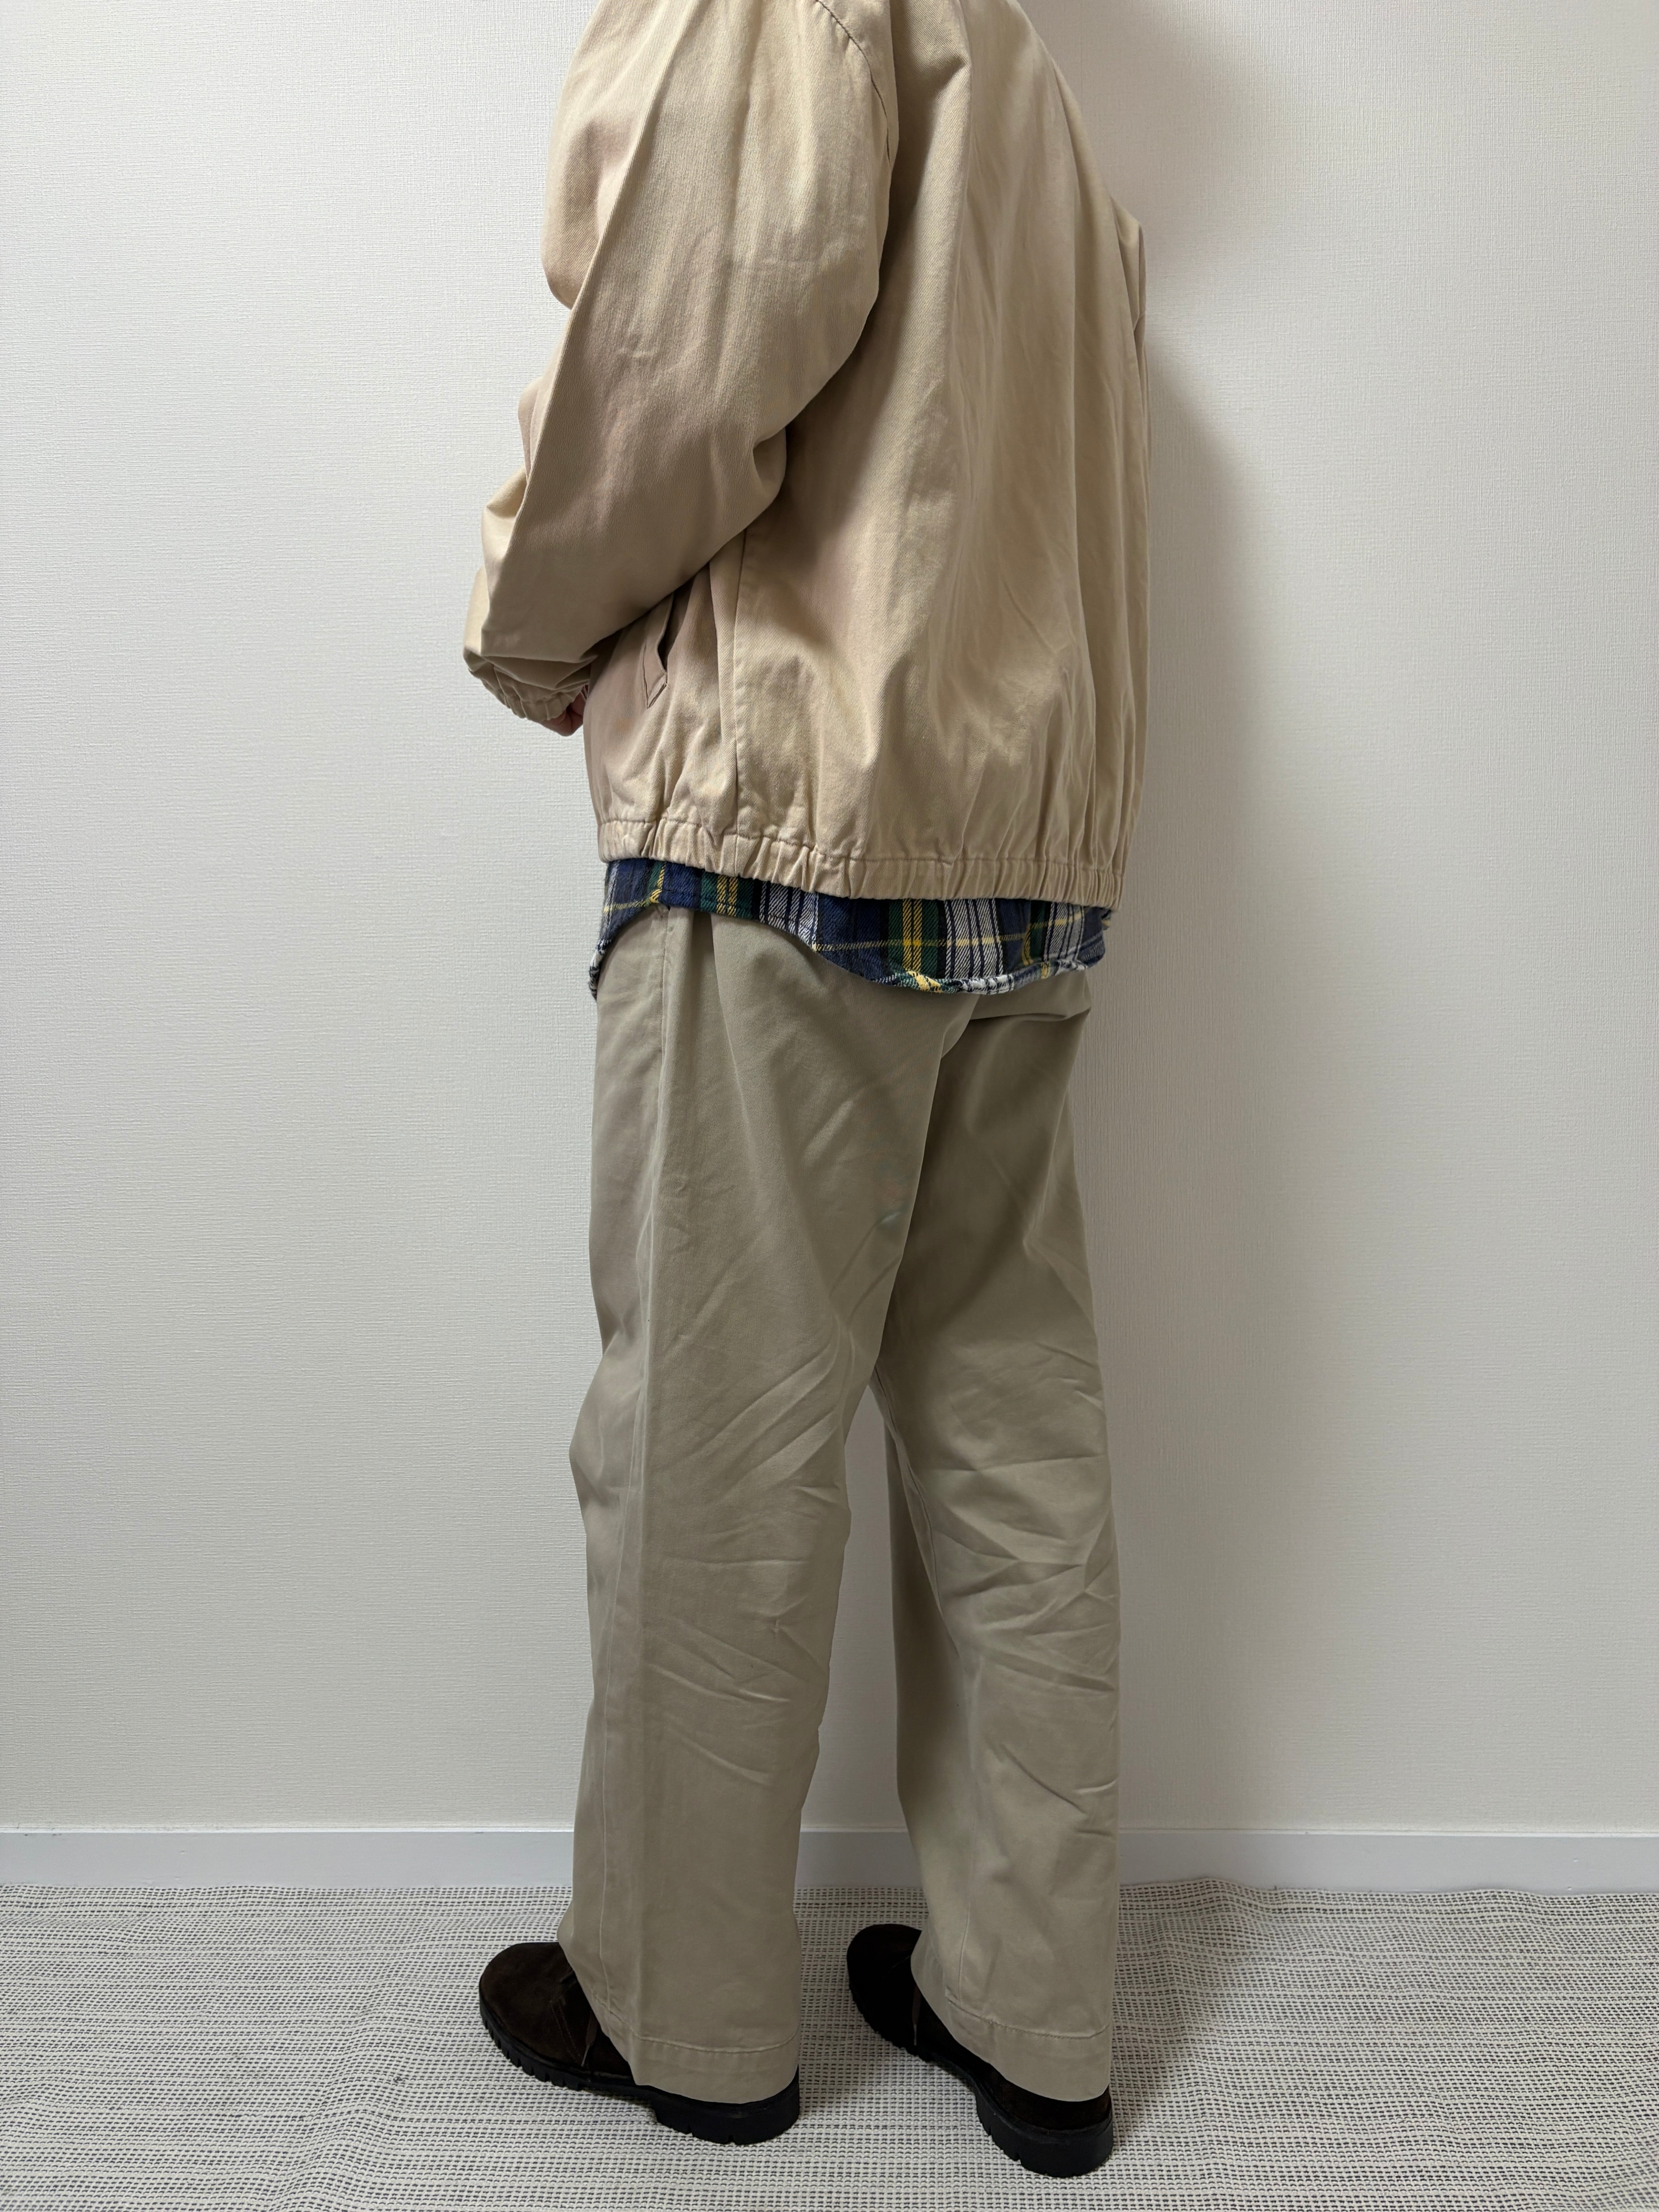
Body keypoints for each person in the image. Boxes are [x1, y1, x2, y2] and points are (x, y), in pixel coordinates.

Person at [462, 0, 1149, 2179]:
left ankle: (682, 2016)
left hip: (793, 819)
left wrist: (530, 628)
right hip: (1019, 843)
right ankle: (1033, 2013)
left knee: (710, 1445)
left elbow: (677, 359)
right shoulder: (1034, 85)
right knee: (1009, 1431)